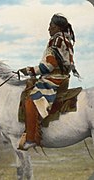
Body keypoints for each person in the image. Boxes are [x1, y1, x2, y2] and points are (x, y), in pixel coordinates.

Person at [18, 13, 77, 150]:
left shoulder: (55, 41)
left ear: (57, 27)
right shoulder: (66, 40)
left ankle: (31, 139)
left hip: (53, 79)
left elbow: (47, 67)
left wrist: (28, 70)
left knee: (30, 101)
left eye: (51, 26)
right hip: (63, 78)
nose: (48, 29)